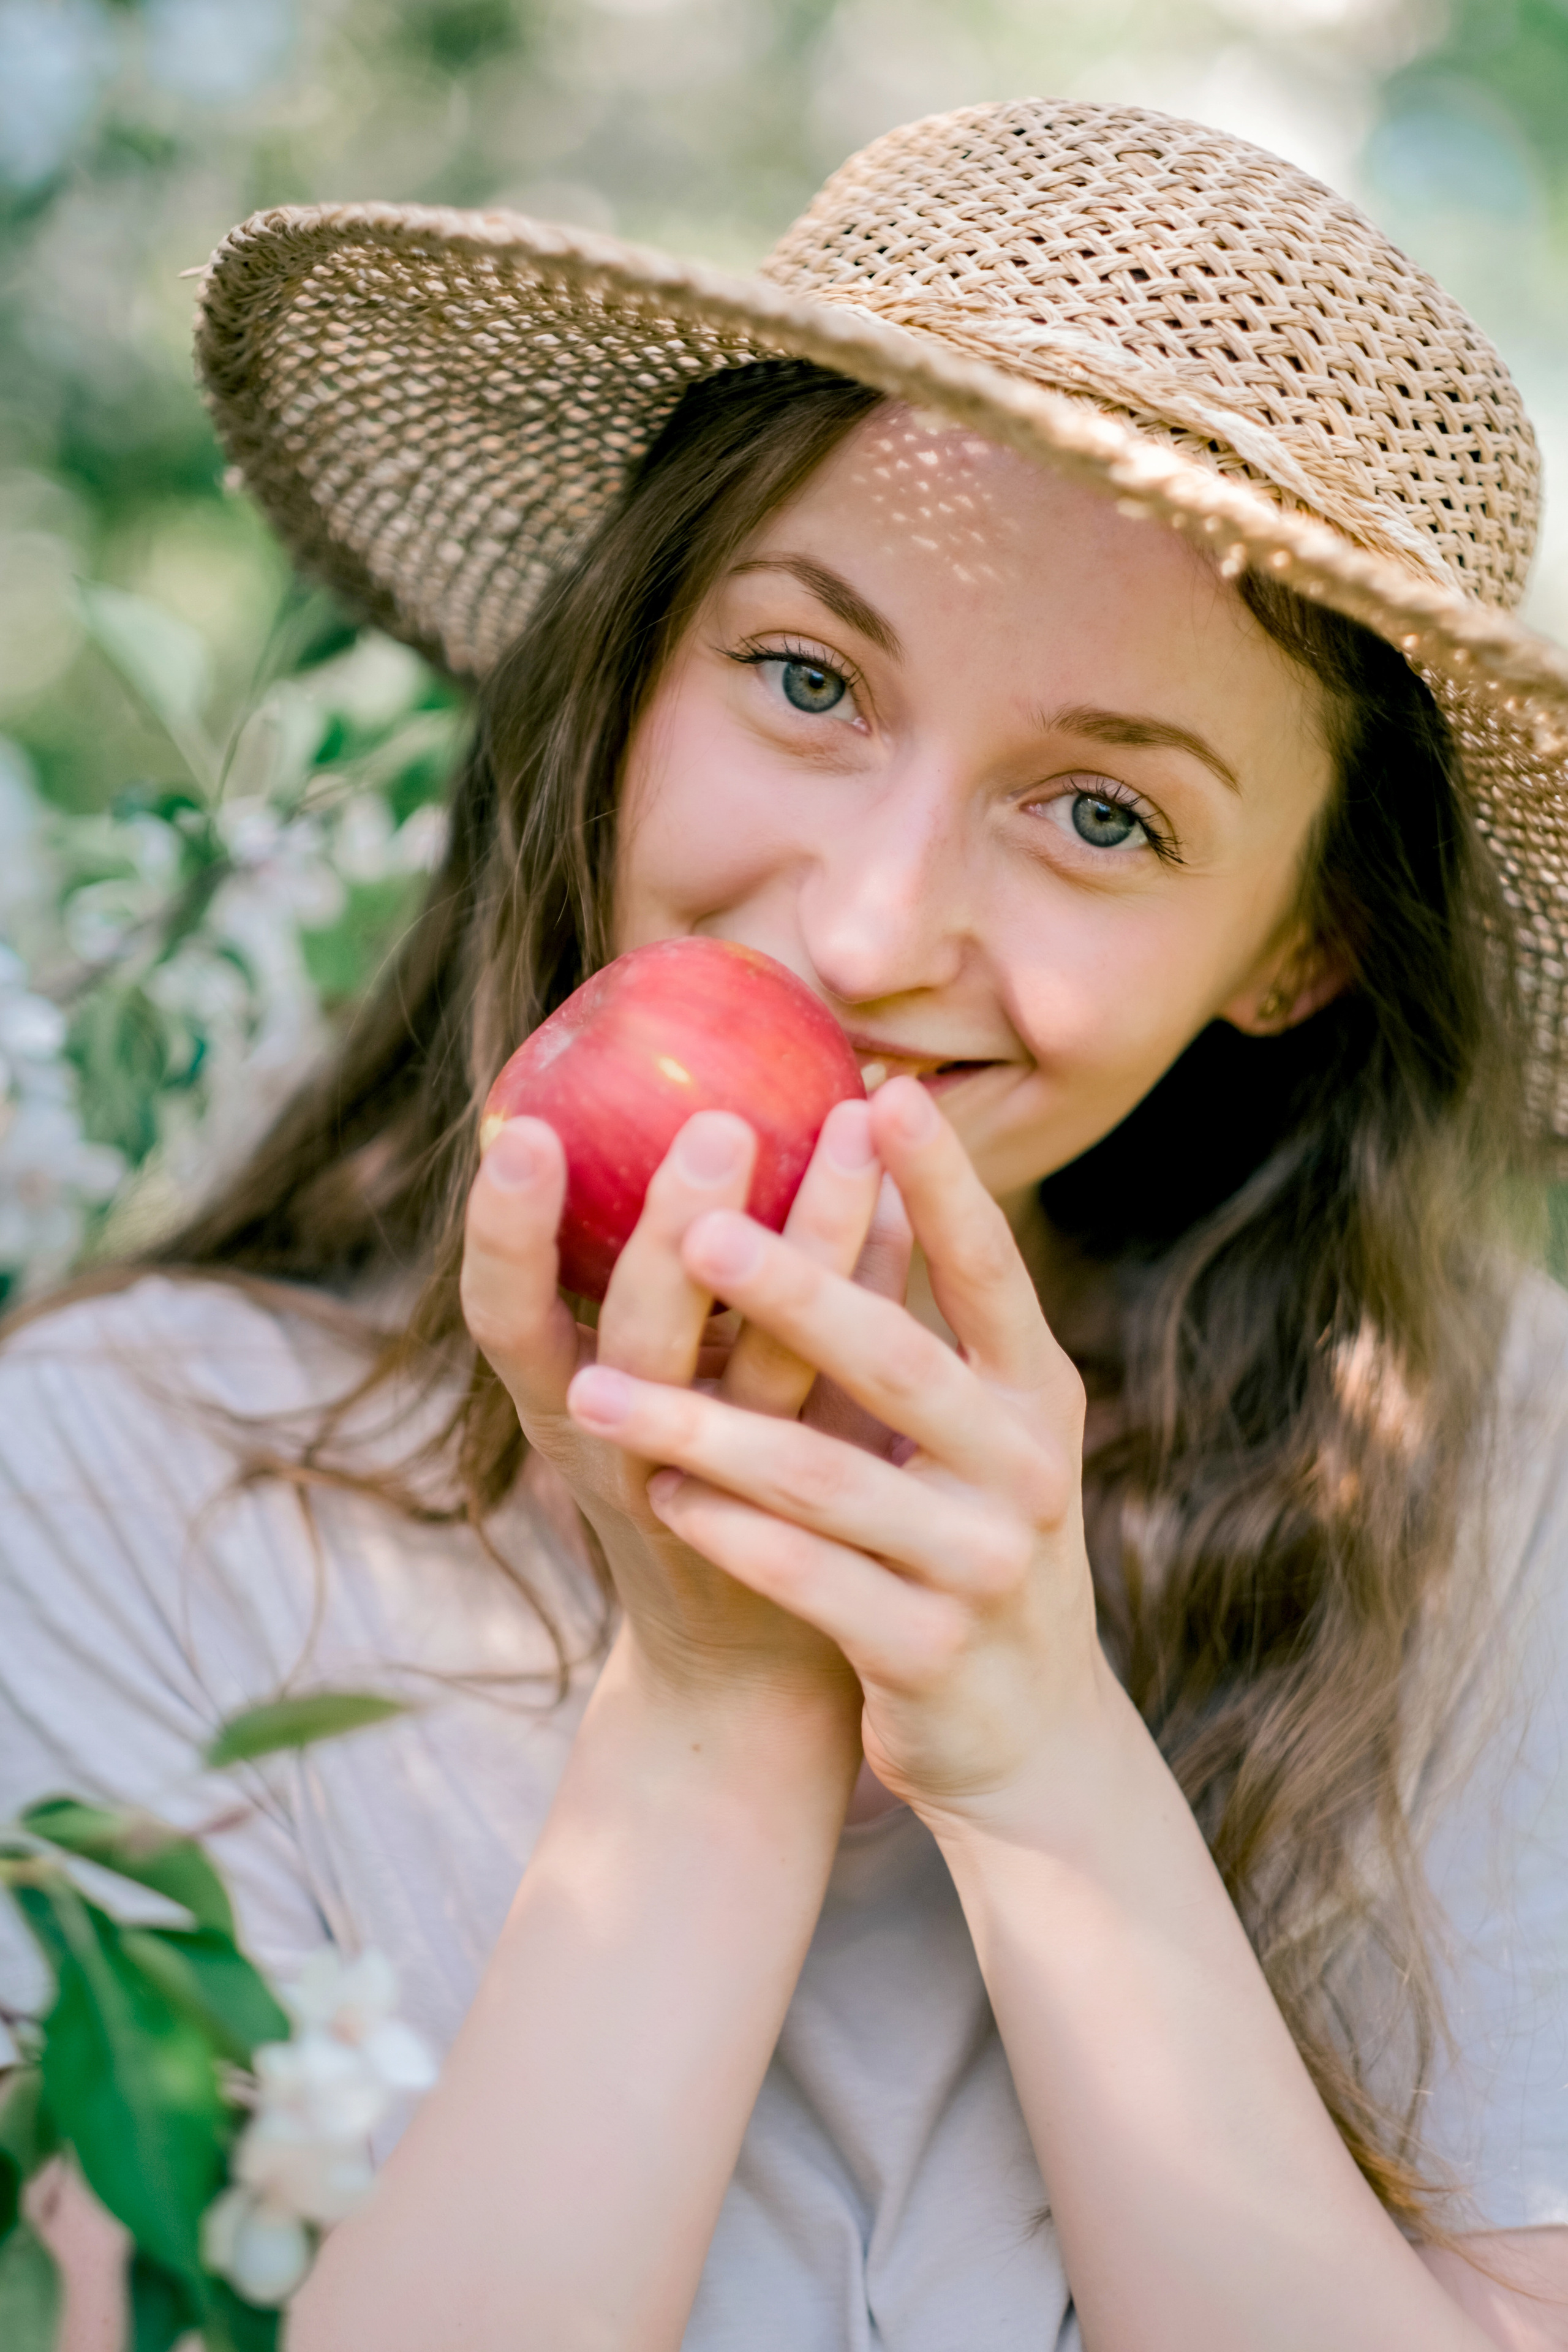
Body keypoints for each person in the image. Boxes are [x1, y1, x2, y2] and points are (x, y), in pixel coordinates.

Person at [3, 96, 1567, 2351]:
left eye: (1106, 812)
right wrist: (720, 1710)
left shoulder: (1466, 1470)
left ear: (1298, 946)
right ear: (638, 672)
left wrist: (1037, 1761)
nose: (863, 922)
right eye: (808, 678)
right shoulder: (110, 1474)